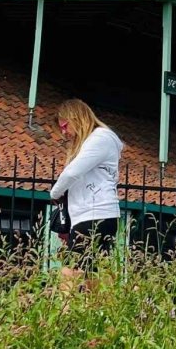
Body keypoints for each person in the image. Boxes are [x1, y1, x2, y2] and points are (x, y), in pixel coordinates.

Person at [49, 99, 123, 269]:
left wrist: (55, 193)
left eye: (65, 126)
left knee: (70, 273)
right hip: (92, 215)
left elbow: (72, 173)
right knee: (90, 274)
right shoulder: (95, 141)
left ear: (77, 118)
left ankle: (66, 296)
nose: (64, 132)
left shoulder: (100, 138)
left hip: (93, 214)